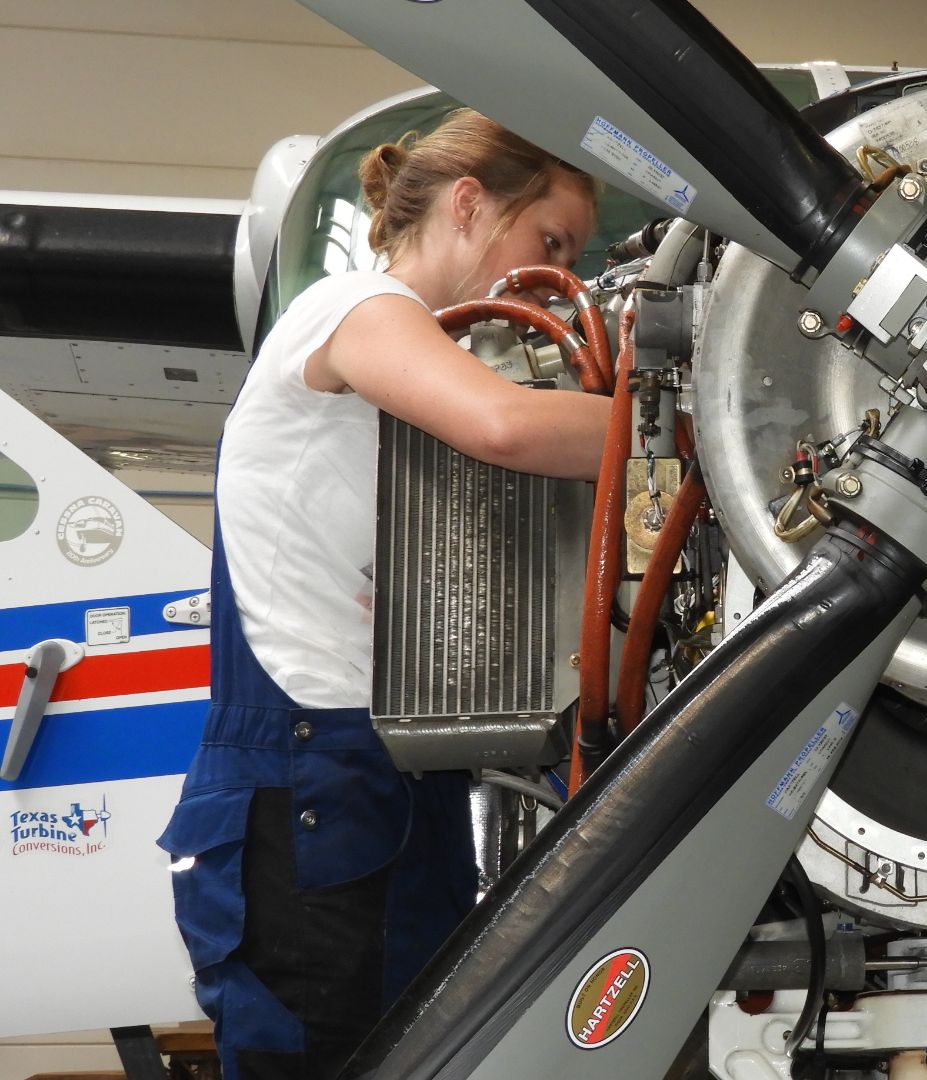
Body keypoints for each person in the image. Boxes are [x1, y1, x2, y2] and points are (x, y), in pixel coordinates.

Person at [158, 108, 611, 1079]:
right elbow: (505, 426)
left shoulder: (402, 390)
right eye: (551, 242)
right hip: (309, 786)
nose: (561, 276)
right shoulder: (349, 309)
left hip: (382, 785)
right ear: (468, 203)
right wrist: (690, 427)